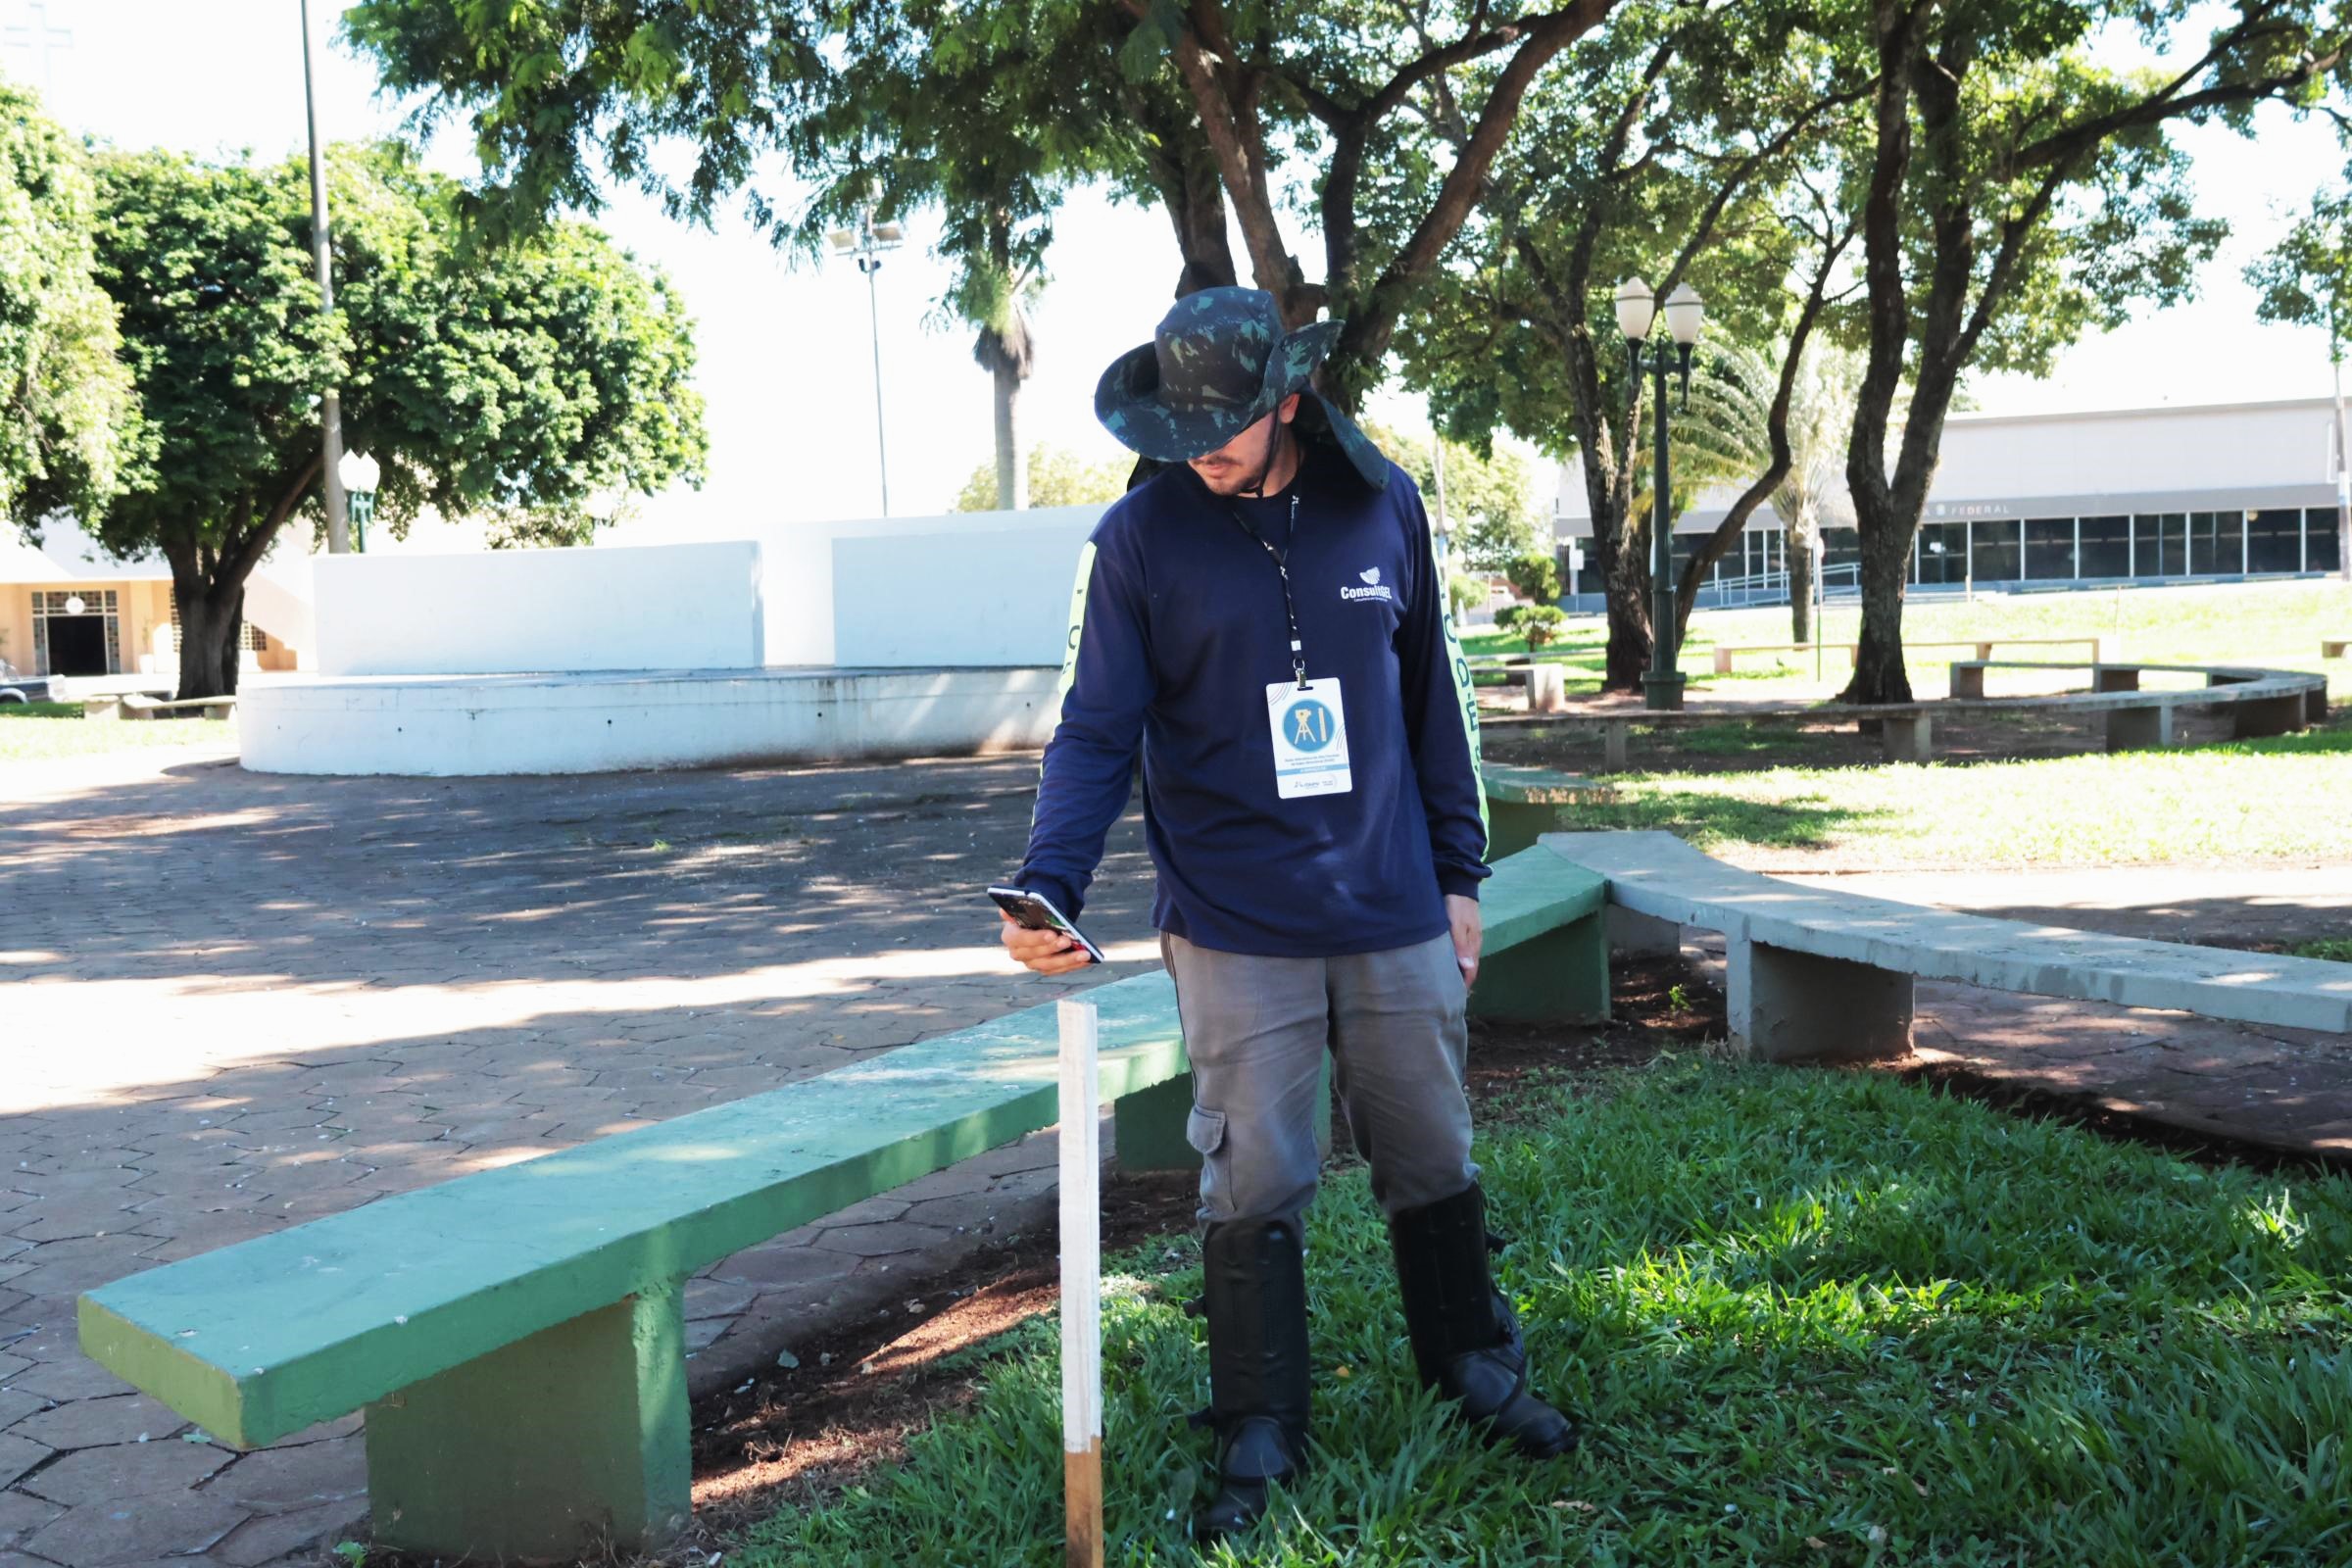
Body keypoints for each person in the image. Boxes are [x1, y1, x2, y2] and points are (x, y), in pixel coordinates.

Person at [996, 286, 1576, 1542]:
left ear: (1289, 399)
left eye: (1226, 420)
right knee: (1255, 1168)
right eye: (1180, 422)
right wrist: (1051, 878)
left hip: (1393, 902)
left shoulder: (1384, 504)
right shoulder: (1140, 539)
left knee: (1431, 1147)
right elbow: (1095, 730)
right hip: (1233, 917)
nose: (1200, 444)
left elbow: (1438, 704)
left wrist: (1461, 879)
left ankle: (1473, 1366)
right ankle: (1260, 1421)